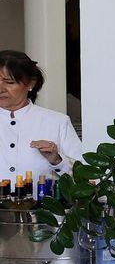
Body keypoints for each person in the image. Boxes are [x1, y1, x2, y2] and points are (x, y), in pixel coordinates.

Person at [0, 50, 83, 181]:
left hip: (41, 201)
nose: (1, 89)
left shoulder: (57, 122)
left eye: (9, 82)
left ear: (31, 83)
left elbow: (86, 179)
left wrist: (57, 160)